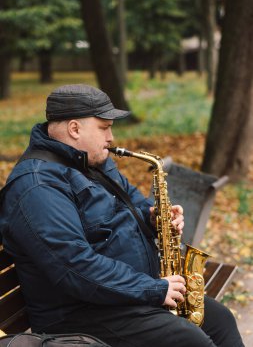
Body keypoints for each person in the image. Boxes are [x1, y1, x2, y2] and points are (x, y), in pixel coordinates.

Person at [0, 84, 244, 347]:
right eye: (104, 127)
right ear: (74, 129)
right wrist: (153, 289)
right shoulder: (37, 187)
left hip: (121, 296)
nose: (111, 137)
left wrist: (154, 219)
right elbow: (75, 267)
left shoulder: (92, 162)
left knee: (220, 319)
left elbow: (133, 203)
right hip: (80, 313)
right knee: (190, 341)